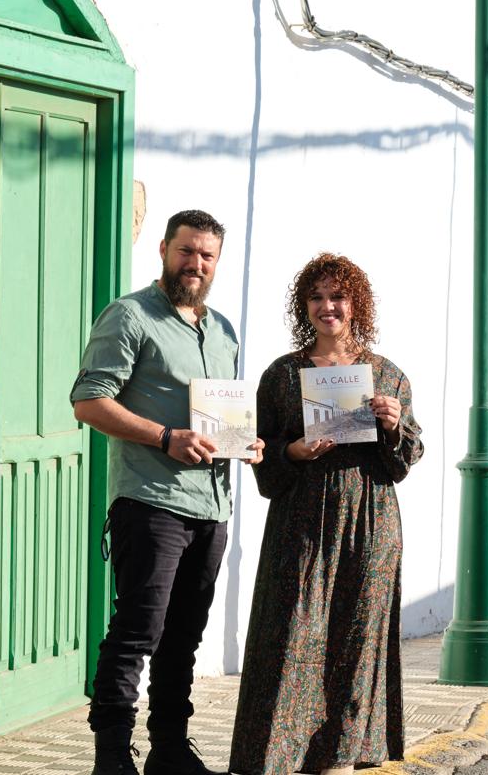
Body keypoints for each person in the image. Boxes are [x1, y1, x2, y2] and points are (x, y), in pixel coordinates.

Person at [71, 210, 263, 775]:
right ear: (163, 249)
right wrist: (164, 437)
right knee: (137, 633)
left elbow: (222, 414)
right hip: (151, 501)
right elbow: (88, 401)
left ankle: (170, 749)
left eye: (207, 256)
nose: (195, 264)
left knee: (184, 637)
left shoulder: (222, 329)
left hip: (212, 506)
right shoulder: (129, 316)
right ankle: (111, 756)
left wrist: (245, 444)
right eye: (186, 251)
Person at [229, 253, 424, 775]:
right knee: (291, 631)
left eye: (337, 296)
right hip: (301, 519)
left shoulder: (388, 375)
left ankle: (340, 758)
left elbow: (405, 460)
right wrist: (292, 451)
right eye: (316, 297)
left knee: (356, 641)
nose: (327, 306)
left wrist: (392, 423)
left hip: (370, 520)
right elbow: (260, 449)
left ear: (356, 303)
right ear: (304, 307)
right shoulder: (282, 374)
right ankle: (274, 758)